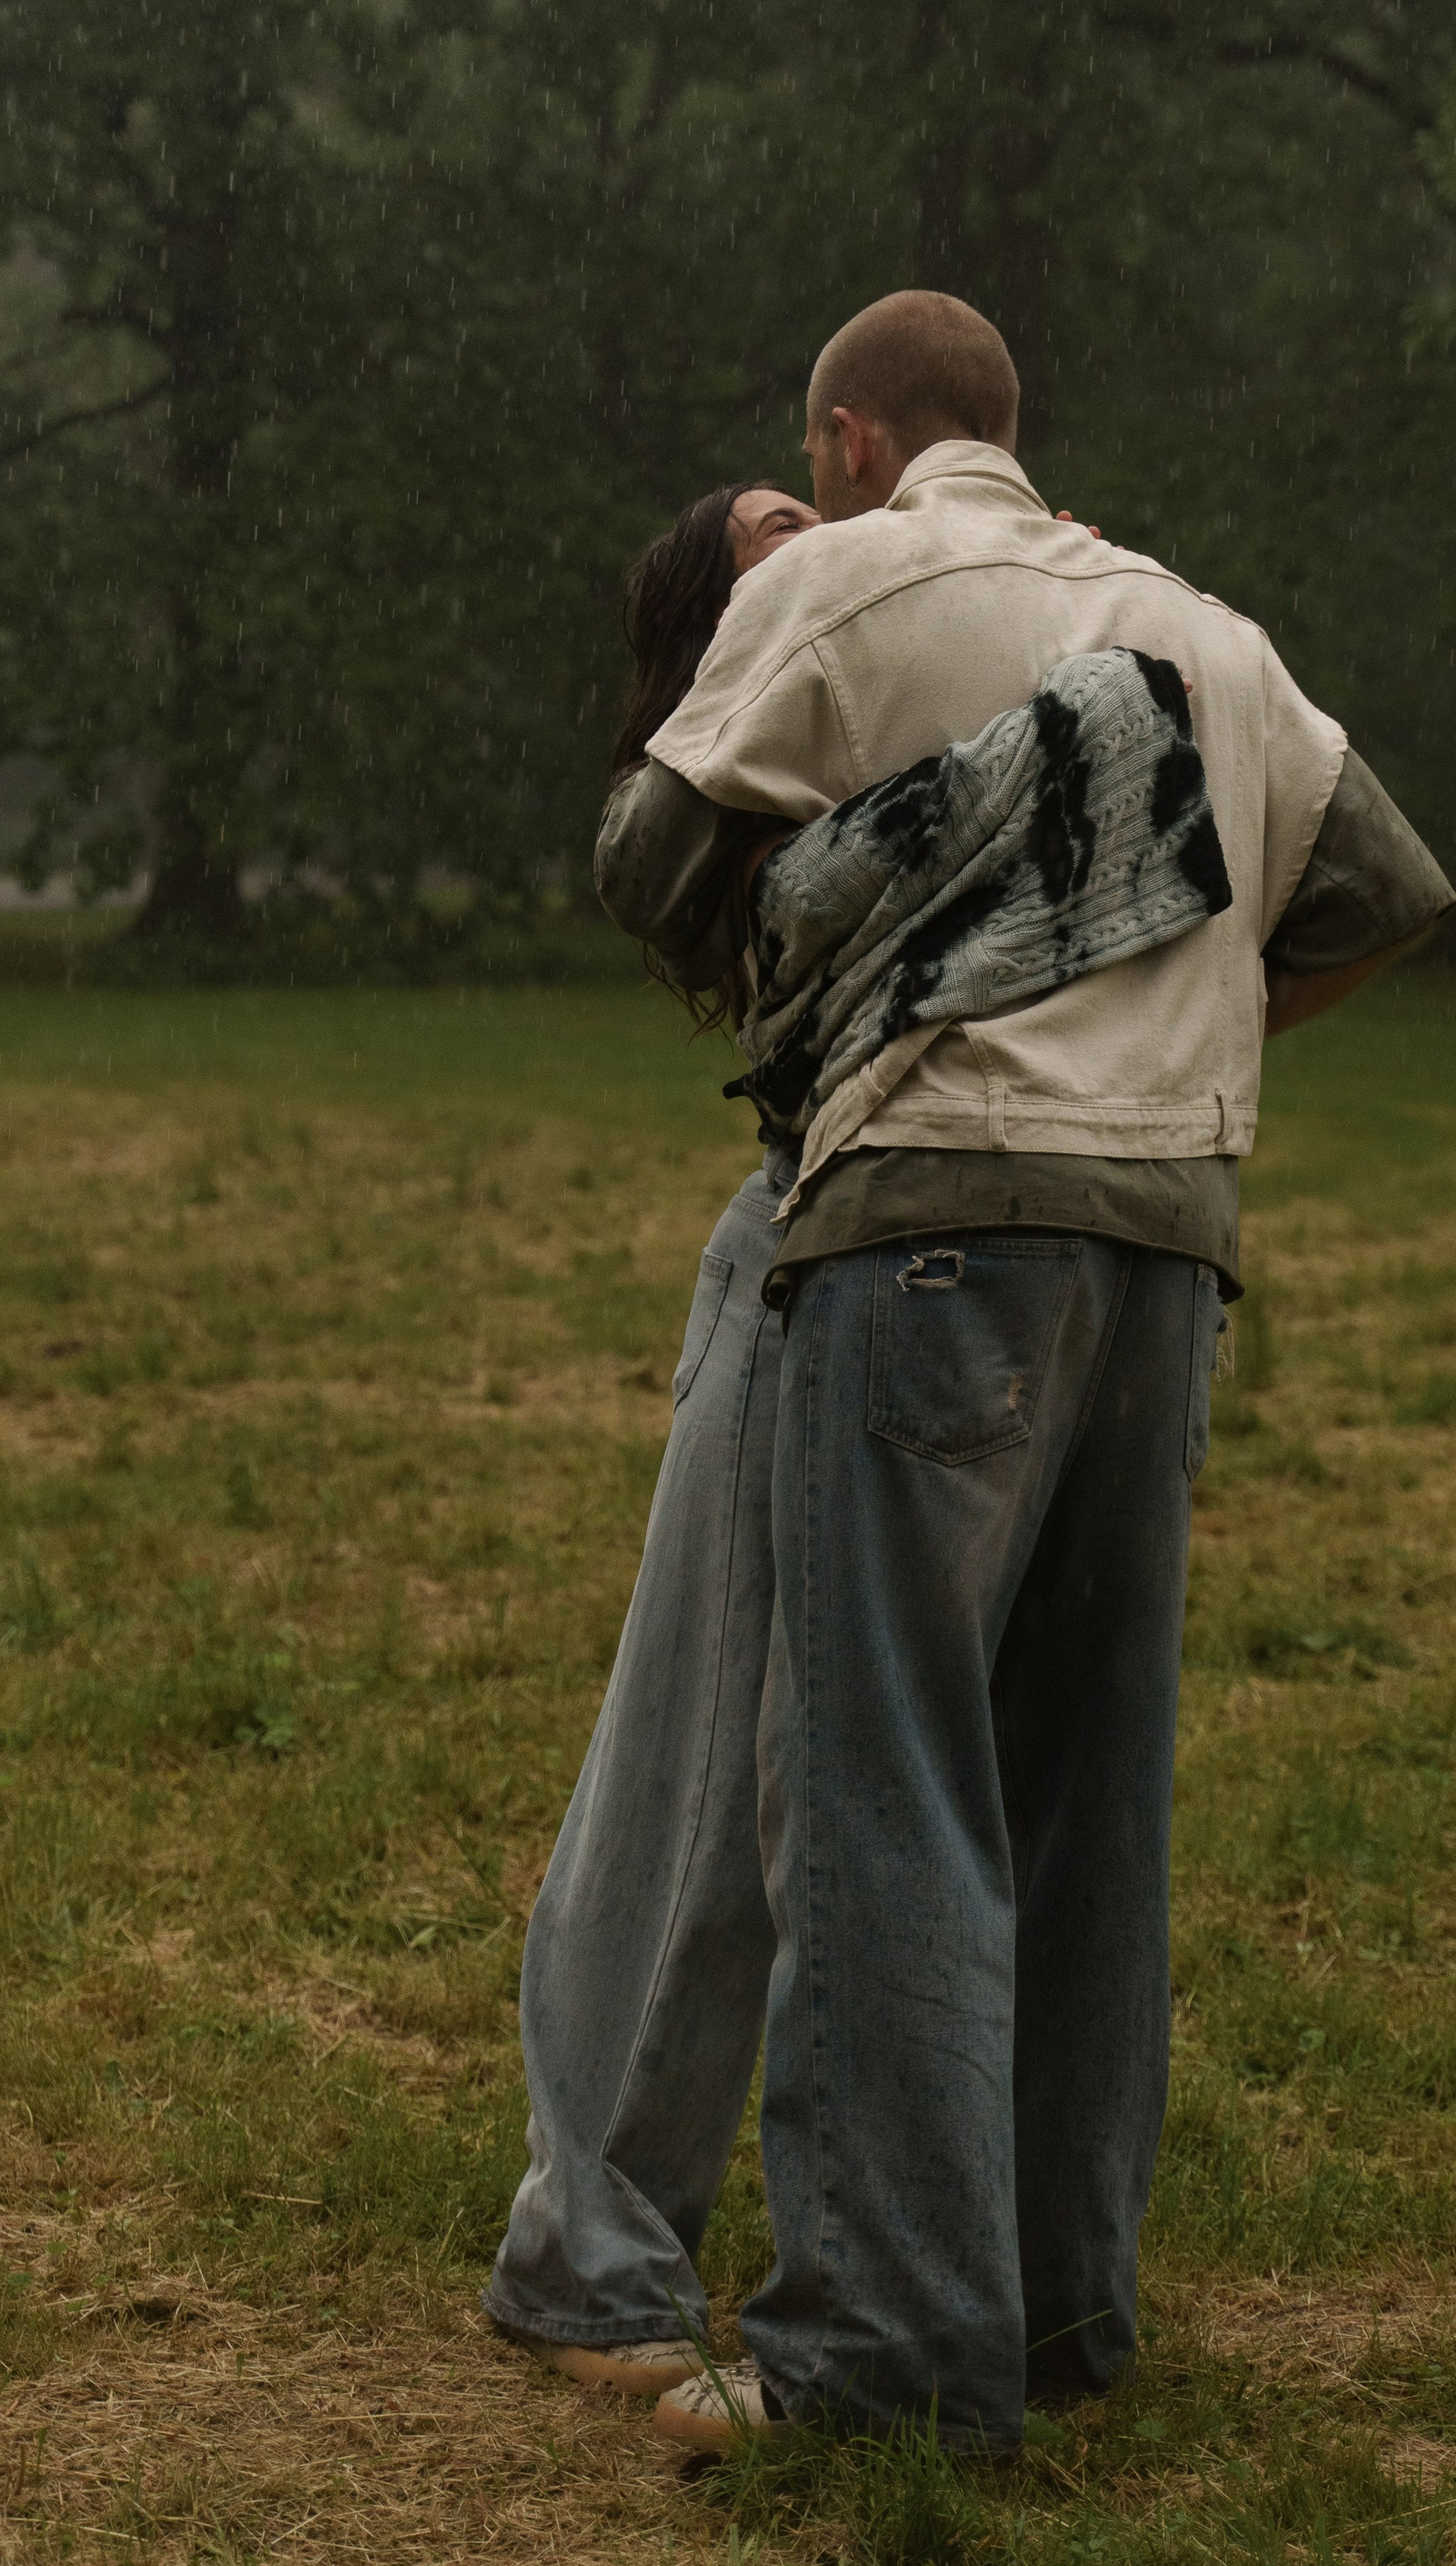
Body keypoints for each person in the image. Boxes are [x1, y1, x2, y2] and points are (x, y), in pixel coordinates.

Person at [596, 291, 1456, 2458]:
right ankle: (1061, 2310)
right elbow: (1371, 890)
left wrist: (885, 945)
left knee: (883, 1777)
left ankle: (878, 2353)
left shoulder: (837, 578)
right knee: (1086, 1792)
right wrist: (1170, 1010)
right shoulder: (1196, 627)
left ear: (853, 437)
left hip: (925, 1231)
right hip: (1167, 1238)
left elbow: (649, 863)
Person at [480, 476, 819, 2392]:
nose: (817, 524)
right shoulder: (732, 766)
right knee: (696, 1763)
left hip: (949, 1268)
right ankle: (587, 2249)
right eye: (766, 523)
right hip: (798, 1258)